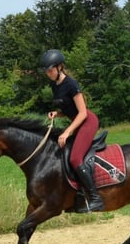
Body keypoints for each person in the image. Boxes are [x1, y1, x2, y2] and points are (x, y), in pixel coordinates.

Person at [39, 49, 105, 213]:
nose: (48, 73)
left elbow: (82, 112)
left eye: (50, 69)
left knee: (75, 158)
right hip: (77, 121)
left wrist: (67, 132)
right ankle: (77, 193)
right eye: (46, 71)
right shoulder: (54, 85)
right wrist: (58, 113)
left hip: (87, 122)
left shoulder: (71, 84)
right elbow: (69, 109)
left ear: (59, 67)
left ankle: (96, 199)